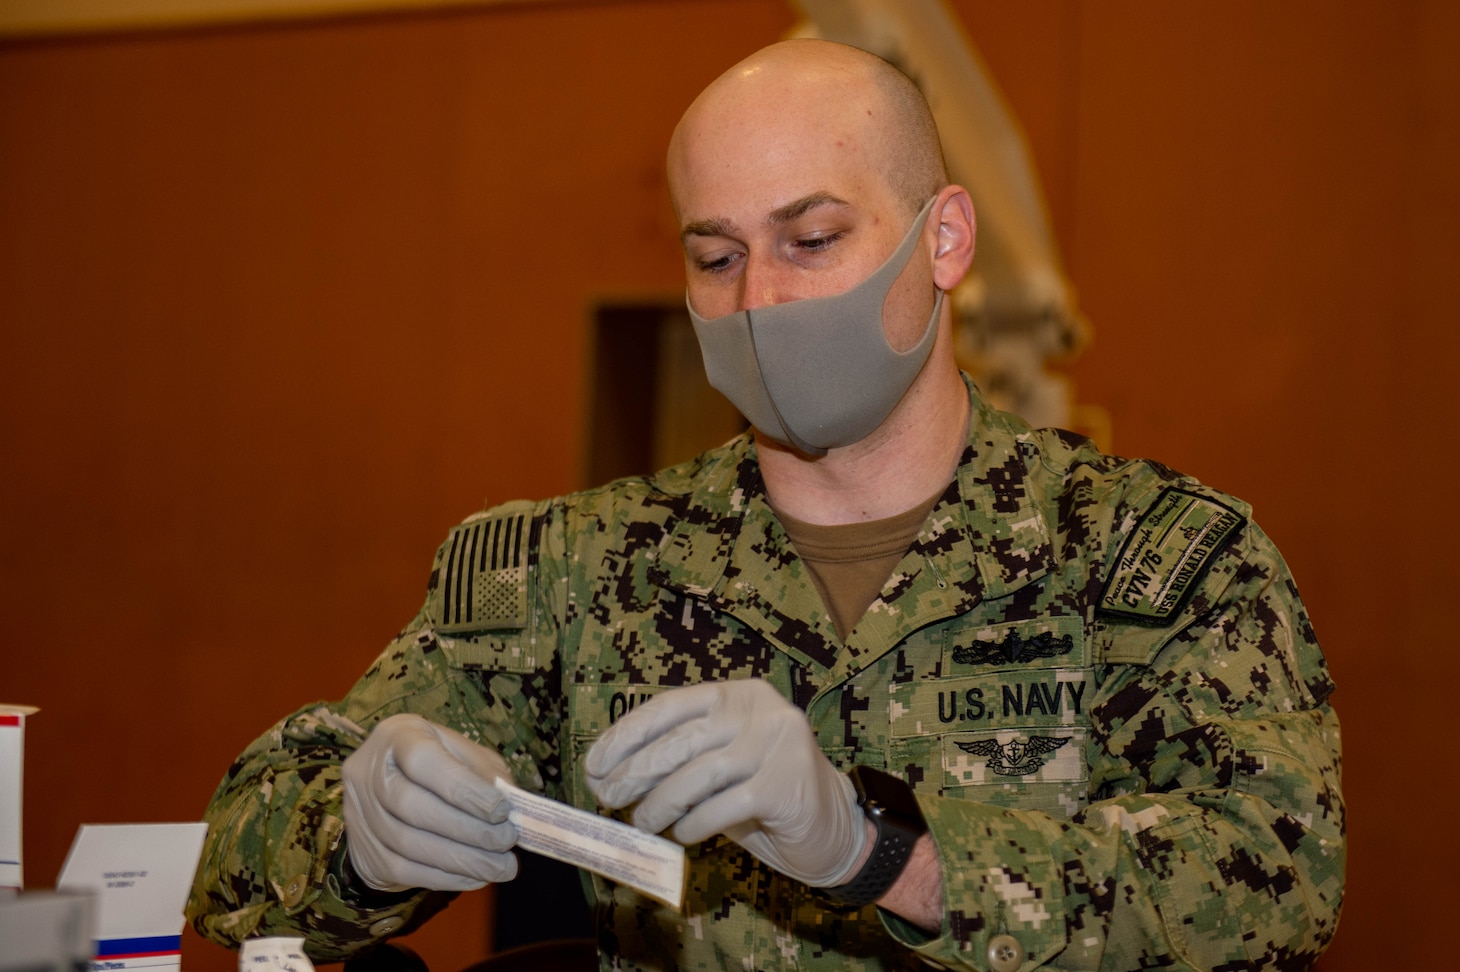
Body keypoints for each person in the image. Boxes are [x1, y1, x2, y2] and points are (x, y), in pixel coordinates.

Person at [187, 38, 1345, 971]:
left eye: (812, 238)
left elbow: (1274, 883)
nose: (762, 299)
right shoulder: (577, 568)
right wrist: (362, 841)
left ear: (941, 239)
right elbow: (236, 869)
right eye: (716, 256)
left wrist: (881, 851)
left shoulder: (1154, 562)